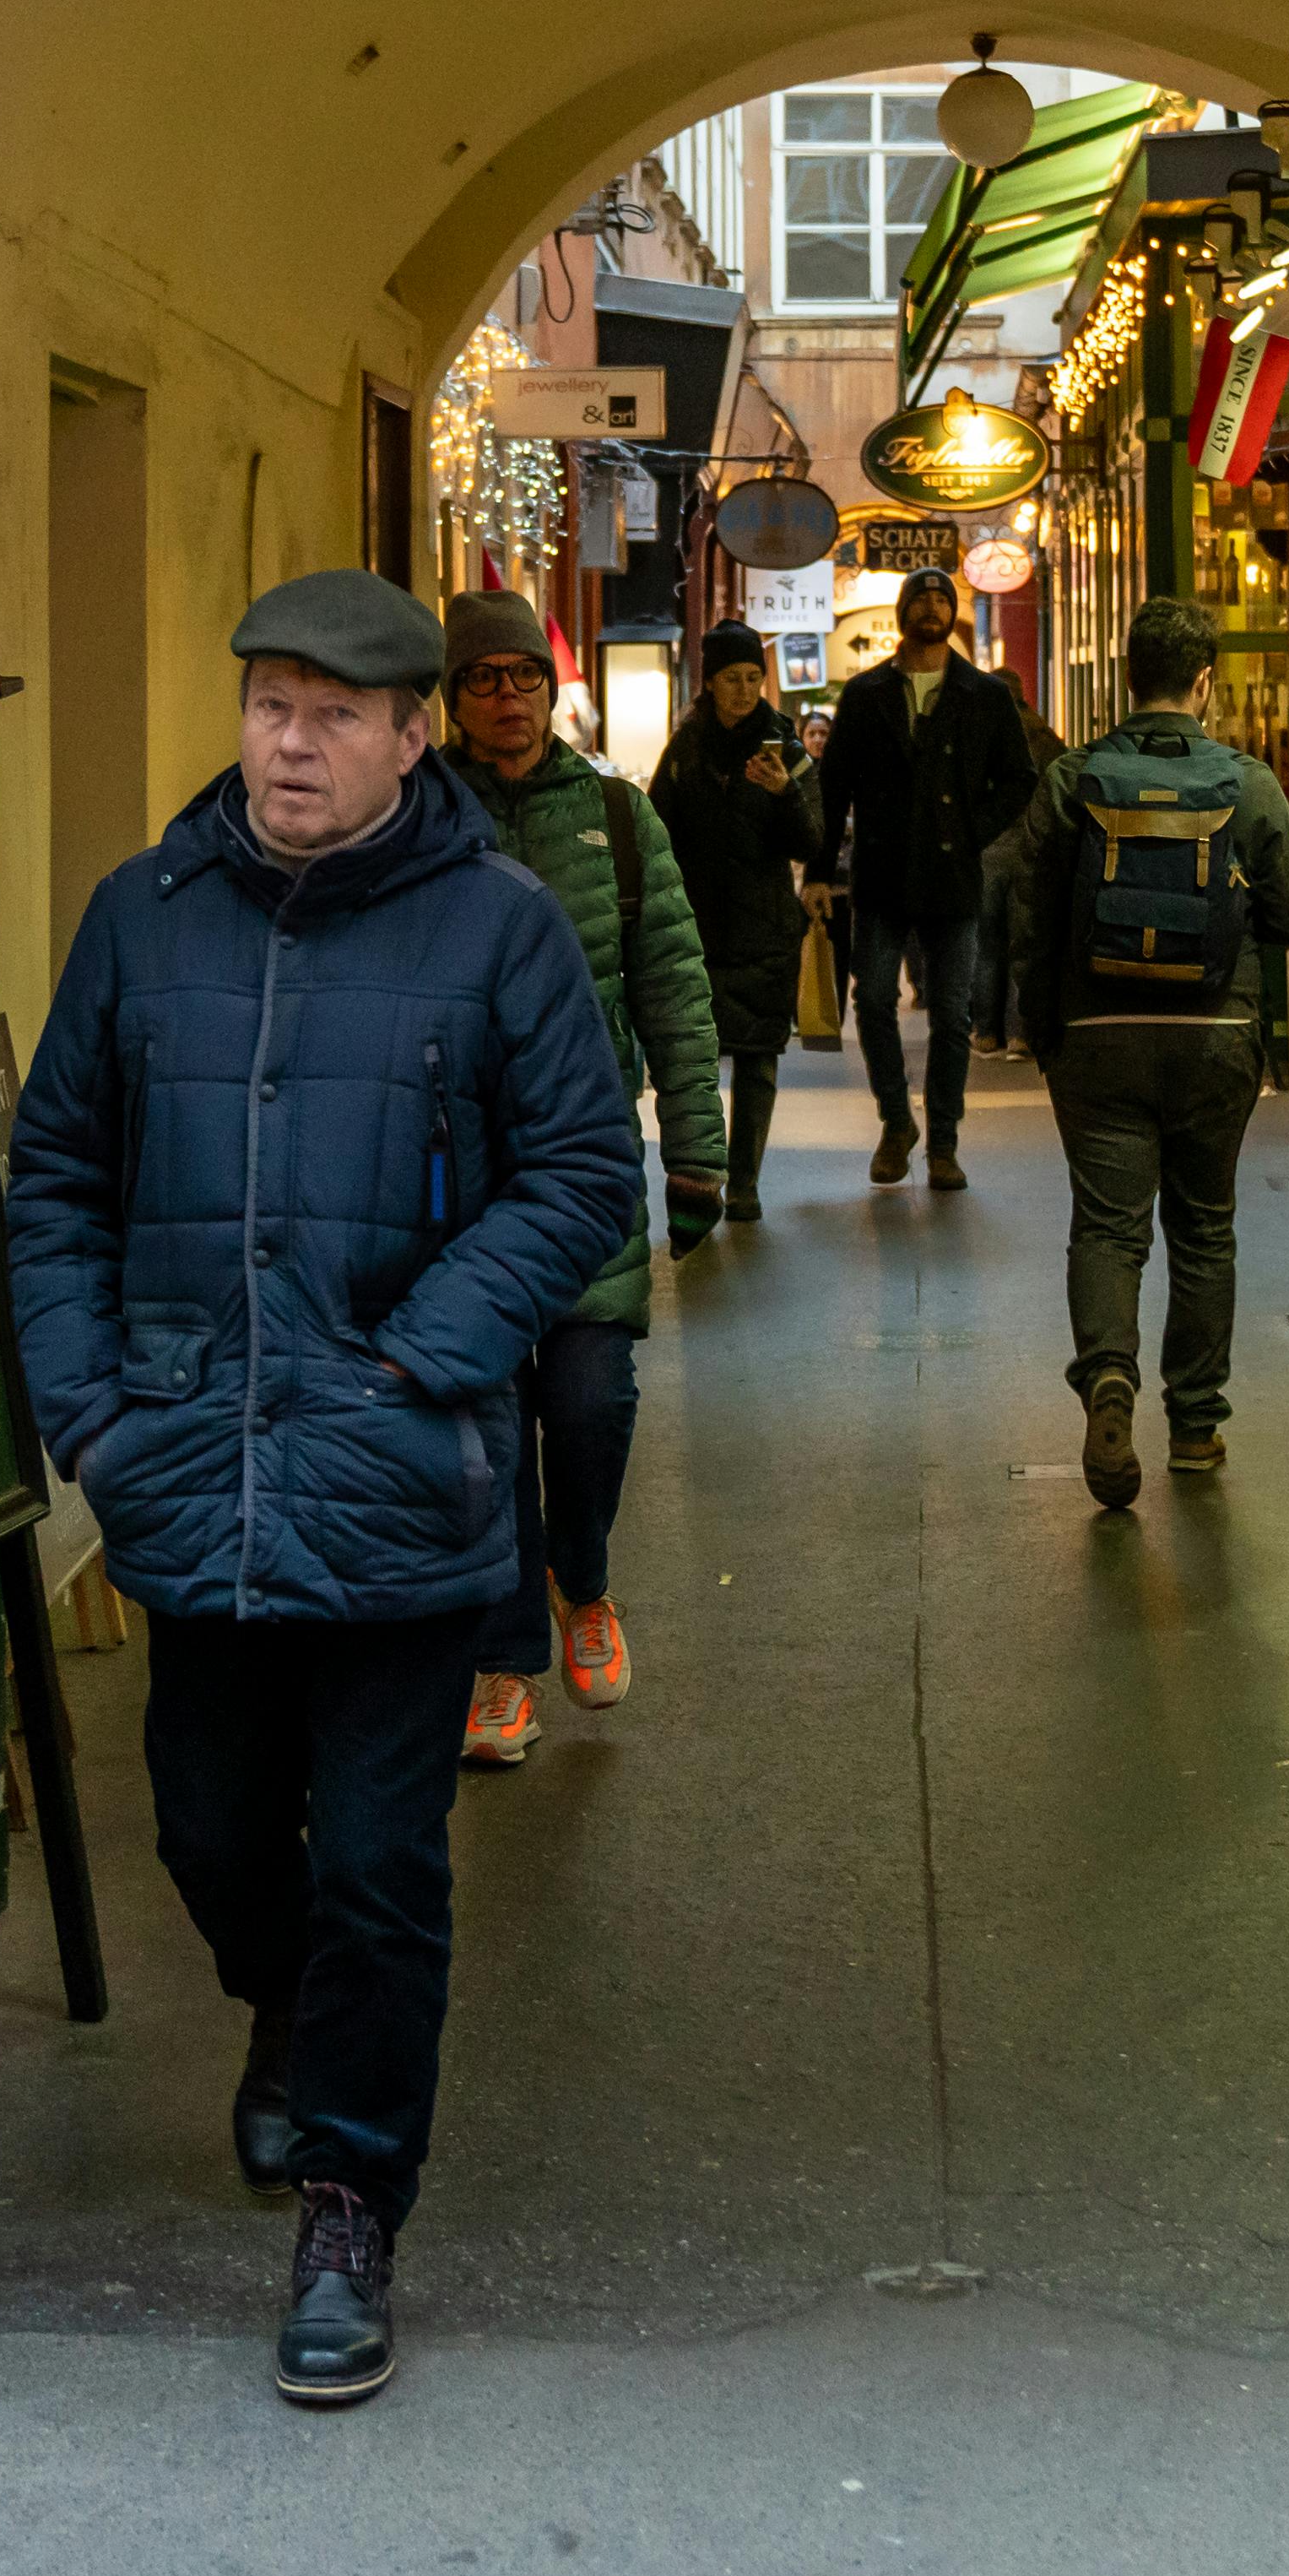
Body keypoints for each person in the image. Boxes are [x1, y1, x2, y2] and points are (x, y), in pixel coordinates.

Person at [3, 566, 648, 2407]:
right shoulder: (145, 918)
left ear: (410, 735)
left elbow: (583, 1171)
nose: (293, 743)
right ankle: (280, 2004)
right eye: (269, 705)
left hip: (400, 1483)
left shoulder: (498, 929)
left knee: (380, 1865)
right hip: (187, 1471)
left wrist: (433, 1353)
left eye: (336, 715)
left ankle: (353, 2208)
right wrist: (94, 1413)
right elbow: (56, 1172)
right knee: (208, 1829)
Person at [433, 590, 726, 1761]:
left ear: (549, 692)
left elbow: (673, 979)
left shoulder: (615, 810)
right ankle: (503, 1665)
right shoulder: (418, 815)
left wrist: (698, 1149)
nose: (507, 698)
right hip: (456, 1170)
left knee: (590, 1403)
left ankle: (584, 1580)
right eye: (483, 679)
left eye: (522, 677)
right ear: (450, 699)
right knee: (492, 1420)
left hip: (587, 1153)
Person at [996, 598, 1289, 1510]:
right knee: (1202, 1226)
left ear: (1126, 676)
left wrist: (1040, 1026)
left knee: (1106, 1226)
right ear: (1203, 683)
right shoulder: (1247, 784)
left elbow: (1032, 909)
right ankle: (1196, 1427)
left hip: (1096, 1038)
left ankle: (1106, 1380)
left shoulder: (1072, 778)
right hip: (1215, 1038)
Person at [818, 566, 1042, 1189]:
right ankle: (896, 1122)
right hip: (883, 873)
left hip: (953, 875)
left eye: (944, 598)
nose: (935, 606)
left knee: (952, 1012)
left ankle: (943, 1139)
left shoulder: (984, 695)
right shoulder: (865, 696)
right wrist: (817, 870)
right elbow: (834, 789)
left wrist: (975, 829)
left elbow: (1021, 779)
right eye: (923, 598)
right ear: (904, 613)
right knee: (873, 1001)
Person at [646, 619, 830, 1223]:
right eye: (732, 679)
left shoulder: (786, 747)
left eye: (754, 677)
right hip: (694, 924)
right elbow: (656, 830)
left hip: (762, 925)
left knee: (756, 1057)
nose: (745, 690)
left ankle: (745, 1181)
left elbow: (810, 842)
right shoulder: (686, 749)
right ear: (711, 682)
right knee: (693, 1059)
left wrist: (784, 795)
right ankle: (702, 1172)